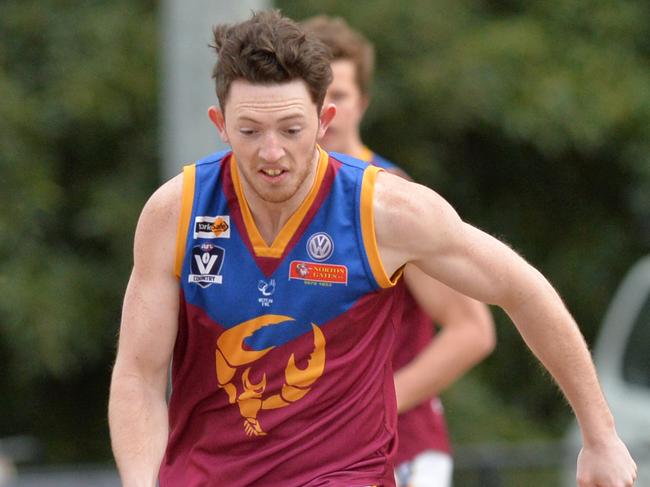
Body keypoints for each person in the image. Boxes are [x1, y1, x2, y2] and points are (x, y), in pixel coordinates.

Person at [108, 10, 637, 487]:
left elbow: (523, 290)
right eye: (250, 130)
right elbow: (138, 373)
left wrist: (600, 435)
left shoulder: (386, 210)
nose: (272, 153)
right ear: (219, 125)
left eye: (291, 129)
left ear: (324, 121)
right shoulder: (176, 212)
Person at [302, 15, 495, 487]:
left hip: (400, 450)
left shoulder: (391, 198)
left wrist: (376, 398)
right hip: (311, 451)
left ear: (363, 103)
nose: (326, 108)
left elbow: (473, 330)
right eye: (314, 94)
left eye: (340, 96)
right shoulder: (273, 197)